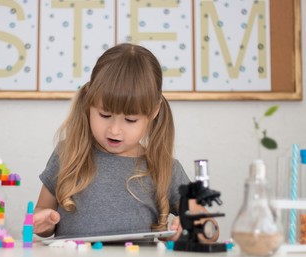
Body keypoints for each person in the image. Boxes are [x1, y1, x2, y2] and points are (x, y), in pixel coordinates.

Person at [34, 43, 218, 242]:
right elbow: (42, 211)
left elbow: (210, 229)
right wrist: (43, 222)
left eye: (130, 120)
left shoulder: (165, 168)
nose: (114, 130)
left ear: (154, 111)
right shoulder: (68, 153)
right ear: (88, 103)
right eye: (104, 115)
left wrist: (194, 226)